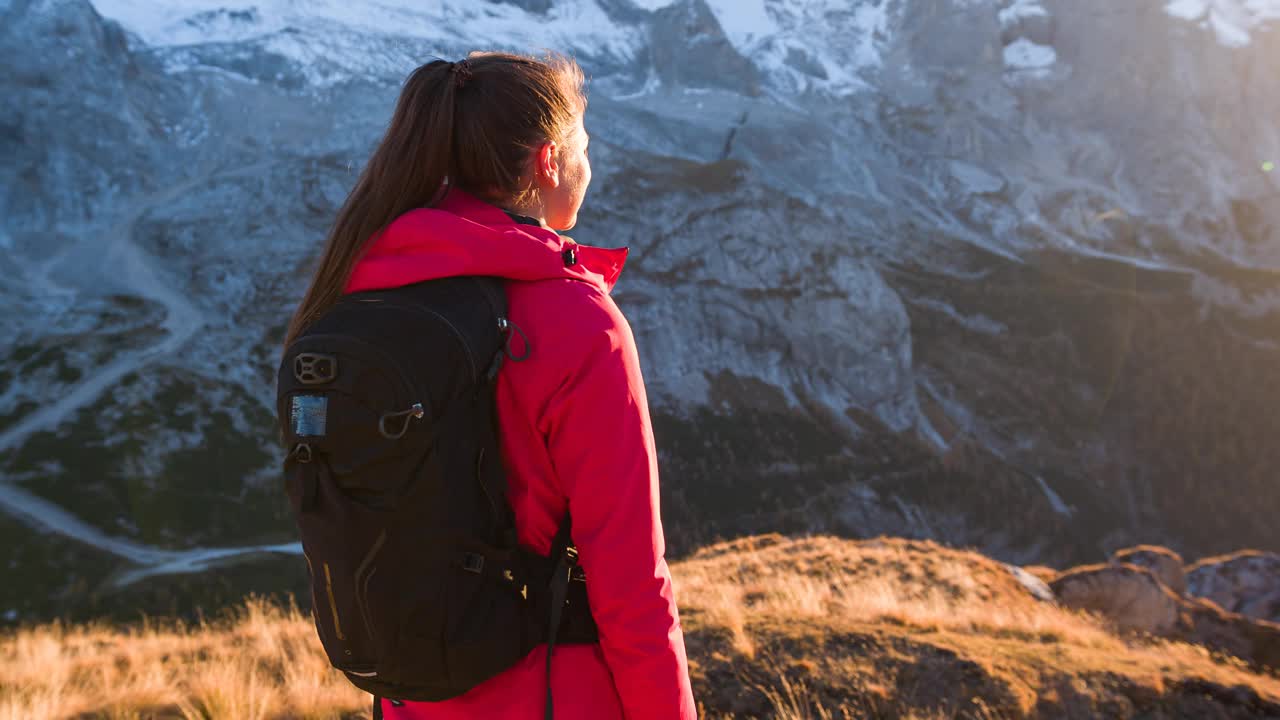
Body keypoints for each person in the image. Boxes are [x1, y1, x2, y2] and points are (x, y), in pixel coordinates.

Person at [284, 51, 697, 720]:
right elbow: (631, 587)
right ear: (548, 161)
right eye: (585, 146)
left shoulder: (362, 286)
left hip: (412, 697)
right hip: (554, 695)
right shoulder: (577, 322)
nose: (591, 165)